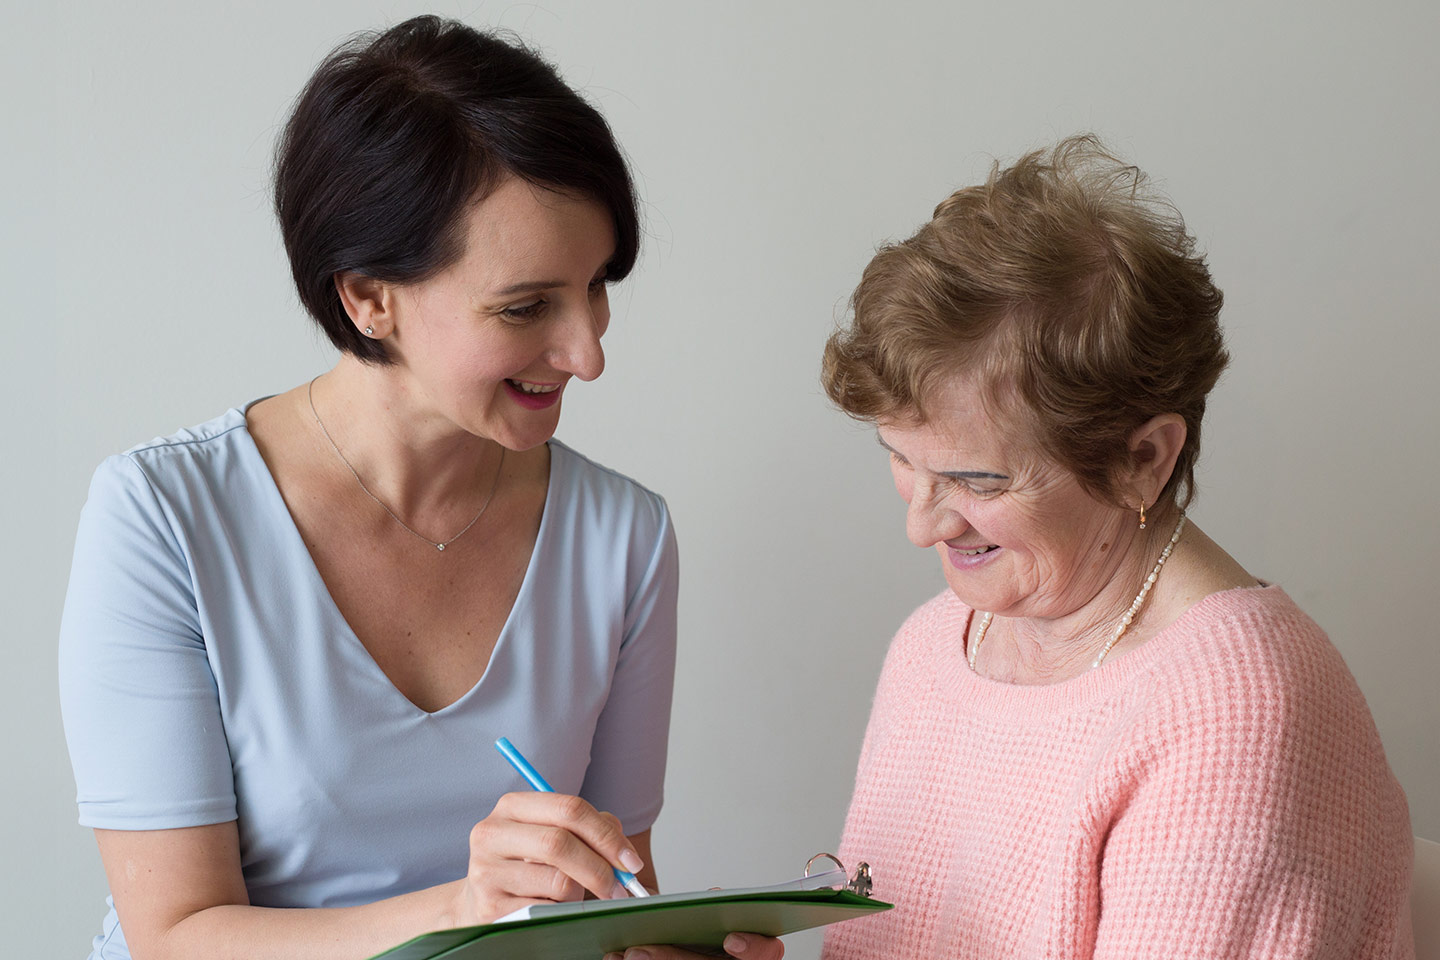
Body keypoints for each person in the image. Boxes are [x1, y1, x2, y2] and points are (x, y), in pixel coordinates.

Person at [58, 17, 778, 960]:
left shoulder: (624, 536)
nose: (589, 354)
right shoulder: (163, 519)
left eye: (597, 285)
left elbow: (613, 896)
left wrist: (665, 947)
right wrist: (464, 912)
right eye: (527, 307)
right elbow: (176, 935)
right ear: (367, 298)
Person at [818, 136, 1413, 958]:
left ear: (1144, 458)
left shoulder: (1235, 708)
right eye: (899, 460)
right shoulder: (932, 649)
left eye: (978, 481)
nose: (922, 526)